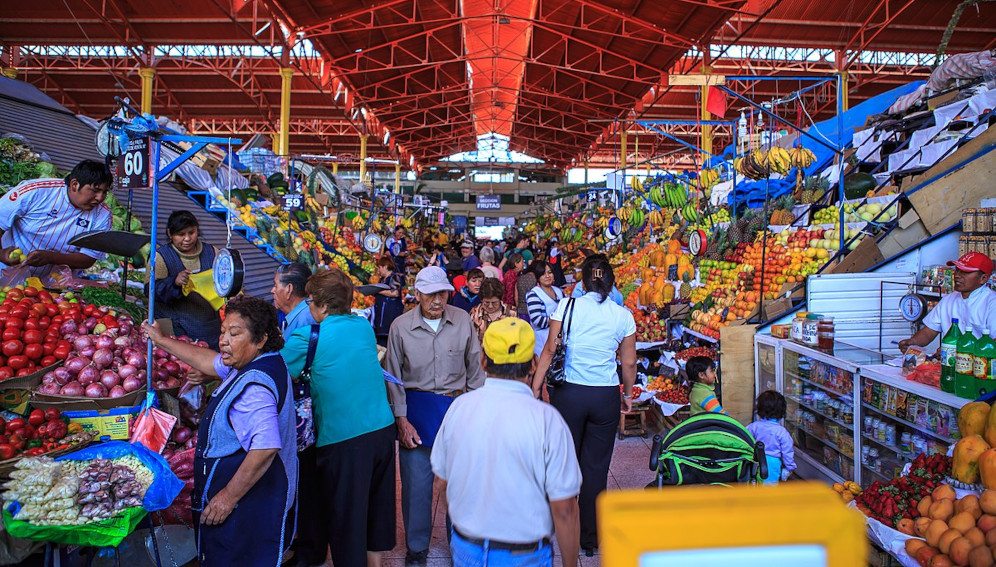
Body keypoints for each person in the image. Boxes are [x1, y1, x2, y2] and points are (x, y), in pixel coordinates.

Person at [142, 297, 297, 566]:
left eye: (234, 334)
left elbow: (265, 447)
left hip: (248, 502)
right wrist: (162, 340)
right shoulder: (262, 361)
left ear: (260, 339)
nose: (223, 340)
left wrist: (227, 497)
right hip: (259, 495)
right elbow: (210, 361)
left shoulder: (254, 387)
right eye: (223, 331)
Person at [431, 319, 581, 567]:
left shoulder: (459, 408)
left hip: (467, 549)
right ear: (533, 364)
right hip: (525, 555)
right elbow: (565, 508)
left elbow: (441, 482)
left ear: (483, 361)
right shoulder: (548, 420)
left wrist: (467, 520)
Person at [282, 268, 397, 567]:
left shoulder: (307, 337)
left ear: (321, 305)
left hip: (345, 439)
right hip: (383, 431)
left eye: (309, 302)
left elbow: (275, 374)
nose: (307, 307)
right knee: (375, 511)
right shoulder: (362, 327)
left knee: (347, 520)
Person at [532, 255, 636, 555]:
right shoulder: (623, 315)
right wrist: (626, 395)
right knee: (596, 468)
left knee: (566, 463)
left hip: (569, 394)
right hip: (604, 396)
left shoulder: (566, 306)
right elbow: (628, 363)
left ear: (582, 281)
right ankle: (589, 541)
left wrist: (537, 386)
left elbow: (550, 350)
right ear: (611, 282)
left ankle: (562, 527)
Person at [383, 266, 486, 567]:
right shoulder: (400, 327)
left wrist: (476, 413)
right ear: (417, 295)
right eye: (430, 295)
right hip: (416, 415)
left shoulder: (463, 321)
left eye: (442, 293)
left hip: (455, 411)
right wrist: (401, 420)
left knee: (460, 483)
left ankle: (463, 546)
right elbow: (393, 378)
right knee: (416, 486)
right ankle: (417, 548)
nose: (438, 300)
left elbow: (475, 372)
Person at [271, 263, 323, 566]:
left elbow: (286, 371)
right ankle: (305, 545)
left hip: (305, 415)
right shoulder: (297, 316)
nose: (272, 290)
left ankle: (308, 549)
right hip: (306, 411)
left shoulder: (302, 320)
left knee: (305, 483)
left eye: (276, 284)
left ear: (290, 289)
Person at [0, 159, 112, 277]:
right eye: (95, 190)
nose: (100, 198)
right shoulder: (36, 191)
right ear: (74, 185)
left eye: (105, 192)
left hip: (51, 285)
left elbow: (88, 258)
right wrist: (1, 253)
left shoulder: (102, 215)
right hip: (5, 271)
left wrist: (50, 257)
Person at [150, 211, 223, 349]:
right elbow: (151, 291)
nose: (187, 238)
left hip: (210, 327)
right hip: (178, 329)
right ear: (170, 234)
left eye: (191, 232)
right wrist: (174, 282)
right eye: (181, 234)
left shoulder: (213, 252)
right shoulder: (160, 257)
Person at [899, 252, 996, 353]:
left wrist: (957, 351)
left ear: (983, 278)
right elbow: (929, 332)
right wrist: (912, 342)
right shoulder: (948, 300)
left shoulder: (992, 303)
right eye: (957, 270)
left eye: (965, 272)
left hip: (981, 366)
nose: (957, 275)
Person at [747, 390, 796, 484]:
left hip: (754, 461)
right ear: (782, 411)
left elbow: (745, 438)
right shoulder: (782, 432)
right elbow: (787, 451)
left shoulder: (754, 426)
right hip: (773, 464)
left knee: (754, 485)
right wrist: (790, 467)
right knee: (769, 489)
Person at [525, 261, 564, 356]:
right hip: (542, 340)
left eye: (549, 272)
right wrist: (557, 321)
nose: (547, 276)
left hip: (559, 338)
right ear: (538, 277)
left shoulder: (559, 291)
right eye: (543, 274)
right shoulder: (534, 294)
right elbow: (536, 319)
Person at [272, 263, 316, 340]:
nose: (272, 291)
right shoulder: (306, 313)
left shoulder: (304, 323)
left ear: (289, 289)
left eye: (276, 286)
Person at [469, 278, 516, 343]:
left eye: (494, 303)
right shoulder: (475, 312)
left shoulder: (511, 312)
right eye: (486, 303)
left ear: (500, 300)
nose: (490, 306)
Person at [373, 256, 406, 346]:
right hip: (381, 316)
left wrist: (377, 290)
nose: (379, 270)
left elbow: (395, 292)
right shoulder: (382, 280)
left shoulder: (394, 277)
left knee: (387, 341)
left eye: (380, 267)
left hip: (389, 315)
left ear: (386, 266)